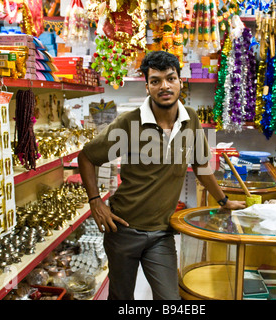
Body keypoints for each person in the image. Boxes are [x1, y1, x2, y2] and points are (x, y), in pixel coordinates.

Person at [78, 50, 245, 300]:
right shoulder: (129, 123)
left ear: (180, 81)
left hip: (162, 233)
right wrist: (95, 202)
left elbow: (201, 166)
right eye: (156, 80)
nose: (164, 86)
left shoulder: (191, 119)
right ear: (147, 86)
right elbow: (87, 157)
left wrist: (223, 201)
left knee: (169, 299)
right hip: (123, 229)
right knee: (121, 298)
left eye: (170, 78)